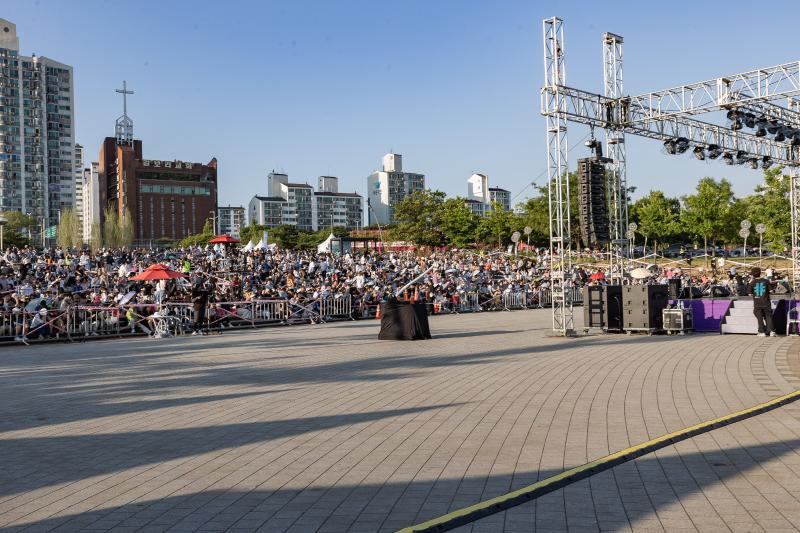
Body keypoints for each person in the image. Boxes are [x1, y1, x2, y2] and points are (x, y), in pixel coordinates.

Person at [748, 267, 775, 337]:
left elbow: (749, 293)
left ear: (753, 275)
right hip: (766, 302)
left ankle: (761, 331)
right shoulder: (766, 281)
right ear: (760, 273)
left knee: (759, 317)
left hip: (757, 303)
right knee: (768, 316)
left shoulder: (752, 283)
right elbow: (771, 291)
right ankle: (772, 331)